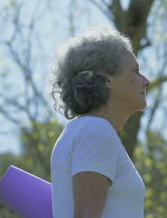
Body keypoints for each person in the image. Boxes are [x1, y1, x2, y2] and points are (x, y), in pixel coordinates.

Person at [49, 26, 151, 218]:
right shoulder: (95, 130)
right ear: (106, 79)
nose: (146, 81)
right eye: (136, 71)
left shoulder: (86, 130)